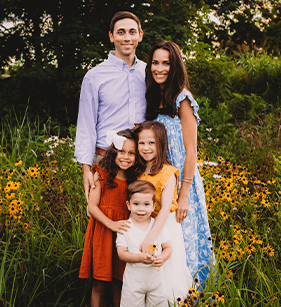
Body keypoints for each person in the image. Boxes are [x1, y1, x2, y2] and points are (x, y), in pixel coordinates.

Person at [145, 40, 214, 283]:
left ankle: (193, 293)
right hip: (160, 182)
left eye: (166, 63)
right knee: (165, 240)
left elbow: (191, 149)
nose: (159, 68)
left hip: (183, 185)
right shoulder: (155, 98)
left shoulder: (182, 98)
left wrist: (184, 194)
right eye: (155, 63)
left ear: (175, 67)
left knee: (186, 239)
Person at [74, 11, 146, 202]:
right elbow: (86, 125)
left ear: (140, 35)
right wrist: (86, 170)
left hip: (141, 162)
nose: (127, 37)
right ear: (111, 37)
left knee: (140, 227)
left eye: (132, 32)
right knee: (105, 224)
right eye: (121, 32)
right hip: (105, 161)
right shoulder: (94, 76)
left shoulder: (149, 73)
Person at [134, 121, 193, 302]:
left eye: (151, 143)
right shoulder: (138, 171)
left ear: (161, 144)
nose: (146, 148)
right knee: (146, 277)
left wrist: (151, 237)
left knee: (167, 277)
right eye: (141, 143)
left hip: (164, 228)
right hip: (143, 227)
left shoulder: (168, 172)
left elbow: (166, 207)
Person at [79, 129, 139, 307]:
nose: (126, 157)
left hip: (124, 235)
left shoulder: (134, 180)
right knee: (99, 283)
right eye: (122, 152)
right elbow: (92, 206)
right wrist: (111, 224)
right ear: (114, 151)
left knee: (119, 283)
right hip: (103, 232)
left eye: (131, 153)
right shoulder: (102, 174)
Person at [116, 180, 172, 307]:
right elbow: (121, 254)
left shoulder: (158, 226)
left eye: (146, 204)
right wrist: (139, 258)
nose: (141, 209)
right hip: (133, 283)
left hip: (156, 282)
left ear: (153, 206)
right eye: (136, 204)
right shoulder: (125, 227)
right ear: (128, 205)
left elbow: (168, 248)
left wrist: (162, 258)